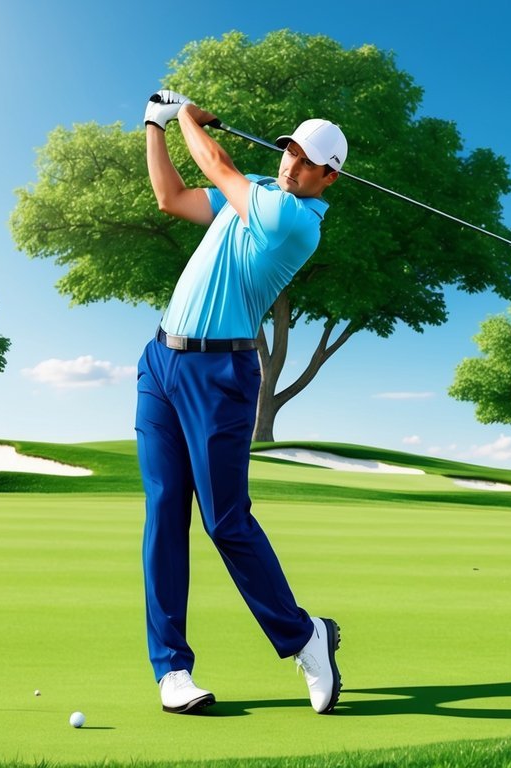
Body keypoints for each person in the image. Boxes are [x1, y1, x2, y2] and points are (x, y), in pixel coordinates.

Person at [136, 89, 344, 715]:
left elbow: (218, 167)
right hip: (160, 361)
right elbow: (171, 198)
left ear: (329, 176)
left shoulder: (295, 223)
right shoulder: (253, 190)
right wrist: (155, 126)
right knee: (165, 512)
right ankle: (171, 669)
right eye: (288, 151)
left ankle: (304, 638)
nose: (290, 165)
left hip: (221, 372)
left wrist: (187, 118)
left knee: (225, 519)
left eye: (305, 162)